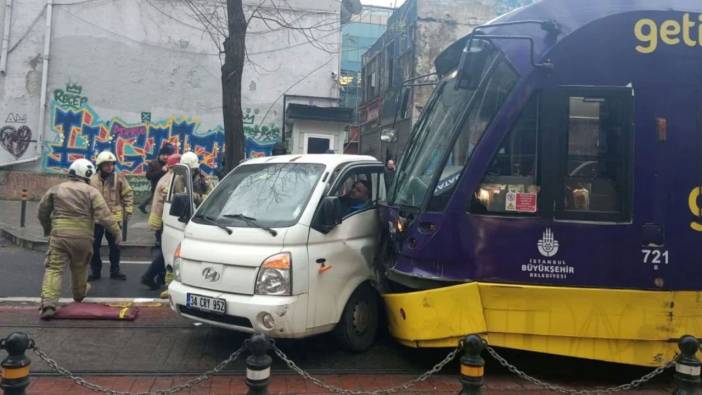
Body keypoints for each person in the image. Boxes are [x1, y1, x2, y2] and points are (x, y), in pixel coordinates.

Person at [37, 158, 121, 319]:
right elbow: (105, 216)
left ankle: (48, 303)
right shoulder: (91, 191)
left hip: (60, 236)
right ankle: (79, 295)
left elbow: (42, 211)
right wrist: (116, 233)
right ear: (87, 174)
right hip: (83, 238)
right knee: (80, 267)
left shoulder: (56, 189)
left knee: (54, 268)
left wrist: (47, 228)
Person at [88, 151, 133, 281]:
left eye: (111, 164)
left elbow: (128, 194)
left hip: (113, 219)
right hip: (96, 219)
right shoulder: (92, 180)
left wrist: (128, 210)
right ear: (100, 166)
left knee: (115, 247)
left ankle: (115, 271)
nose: (110, 167)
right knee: (94, 246)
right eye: (106, 165)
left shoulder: (118, 178)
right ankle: (95, 272)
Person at [141, 153, 181, 291]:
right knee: (166, 252)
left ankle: (159, 279)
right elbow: (174, 198)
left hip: (162, 220)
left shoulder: (168, 176)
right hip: (166, 222)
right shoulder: (172, 179)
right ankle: (149, 276)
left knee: (166, 250)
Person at [139, 143, 175, 214]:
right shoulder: (153, 163)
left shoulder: (170, 163)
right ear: (160, 154)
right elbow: (148, 176)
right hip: (156, 187)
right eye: (163, 154)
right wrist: (161, 171)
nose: (165, 157)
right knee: (155, 202)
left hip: (167, 189)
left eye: (167, 155)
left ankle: (143, 206)